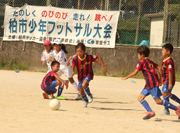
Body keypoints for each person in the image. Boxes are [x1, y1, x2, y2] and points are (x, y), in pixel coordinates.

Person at [122, 45, 180, 120]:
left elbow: (135, 72)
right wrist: (159, 79)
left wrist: (126, 77)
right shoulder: (150, 61)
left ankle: (176, 108)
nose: (138, 56)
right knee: (140, 98)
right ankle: (150, 112)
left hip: (152, 85)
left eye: (138, 54)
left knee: (158, 101)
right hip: (148, 85)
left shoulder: (141, 62)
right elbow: (159, 68)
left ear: (142, 55)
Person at [71, 43, 107, 107]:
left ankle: (90, 95)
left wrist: (103, 66)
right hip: (80, 77)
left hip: (88, 74)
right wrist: (72, 71)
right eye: (77, 51)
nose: (79, 53)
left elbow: (98, 57)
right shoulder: (75, 58)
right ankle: (86, 100)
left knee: (84, 84)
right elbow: (73, 67)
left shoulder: (89, 57)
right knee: (81, 90)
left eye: (81, 51)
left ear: (84, 51)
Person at [161, 43, 180, 115]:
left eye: (163, 50)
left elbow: (170, 72)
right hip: (165, 79)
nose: (162, 52)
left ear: (168, 52)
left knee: (164, 93)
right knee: (168, 94)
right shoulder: (164, 59)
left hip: (169, 80)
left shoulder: (169, 61)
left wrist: (170, 83)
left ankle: (166, 110)